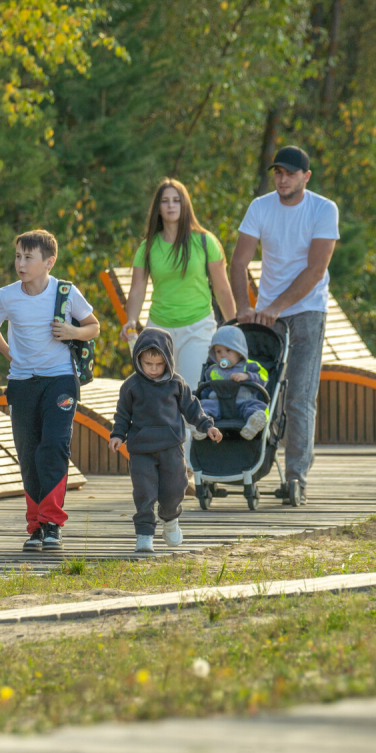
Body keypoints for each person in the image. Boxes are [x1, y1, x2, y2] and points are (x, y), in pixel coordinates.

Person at [0, 229, 101, 553]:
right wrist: (8, 352)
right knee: (29, 452)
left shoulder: (65, 292)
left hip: (60, 379)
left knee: (55, 446)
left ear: (49, 262)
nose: (20, 263)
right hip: (21, 382)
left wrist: (73, 330)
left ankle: (53, 524)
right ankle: (35, 527)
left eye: (28, 257)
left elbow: (94, 326)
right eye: (18, 256)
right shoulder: (7, 295)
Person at [230, 145, 338, 504]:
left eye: (290, 174)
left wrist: (276, 306)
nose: (282, 179)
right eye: (278, 172)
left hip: (307, 310)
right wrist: (245, 307)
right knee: (262, 392)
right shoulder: (260, 207)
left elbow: (316, 269)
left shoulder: (323, 210)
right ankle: (255, 468)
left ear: (306, 177)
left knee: (299, 397)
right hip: (266, 315)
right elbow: (239, 262)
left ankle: (296, 478)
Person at [122, 178, 235, 483]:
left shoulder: (204, 241)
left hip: (199, 326)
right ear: (157, 208)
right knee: (164, 401)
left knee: (189, 395)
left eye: (176, 200)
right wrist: (131, 320)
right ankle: (178, 471)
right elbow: (137, 289)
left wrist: (234, 326)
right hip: (160, 330)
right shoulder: (148, 247)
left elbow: (222, 288)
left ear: (185, 205)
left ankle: (187, 470)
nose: (171, 206)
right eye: (165, 201)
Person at [109, 328, 220, 553]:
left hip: (171, 447)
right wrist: (118, 435)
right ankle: (144, 534)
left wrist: (207, 425)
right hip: (141, 449)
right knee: (144, 492)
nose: (152, 369)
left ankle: (169, 520)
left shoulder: (176, 384)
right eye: (148, 363)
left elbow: (191, 408)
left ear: (167, 361)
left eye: (158, 364)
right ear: (138, 358)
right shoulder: (131, 386)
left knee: (174, 488)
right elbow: (122, 415)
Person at [193, 324, 269, 441]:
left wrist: (247, 376)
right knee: (203, 406)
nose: (223, 355)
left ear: (239, 352)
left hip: (243, 403)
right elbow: (205, 391)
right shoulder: (212, 370)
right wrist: (196, 397)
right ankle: (201, 427)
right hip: (218, 405)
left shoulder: (249, 366)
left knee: (258, 406)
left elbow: (263, 379)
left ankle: (252, 425)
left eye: (228, 350)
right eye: (218, 351)